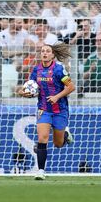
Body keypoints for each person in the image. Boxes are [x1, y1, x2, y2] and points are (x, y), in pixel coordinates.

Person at [19, 43, 75, 180]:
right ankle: (41, 171)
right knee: (42, 139)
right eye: (42, 51)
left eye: (47, 51)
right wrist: (23, 93)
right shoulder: (36, 70)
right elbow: (29, 86)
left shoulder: (59, 69)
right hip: (43, 109)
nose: (44, 53)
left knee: (57, 144)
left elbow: (71, 86)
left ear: (52, 55)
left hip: (59, 110)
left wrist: (56, 97)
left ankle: (65, 134)